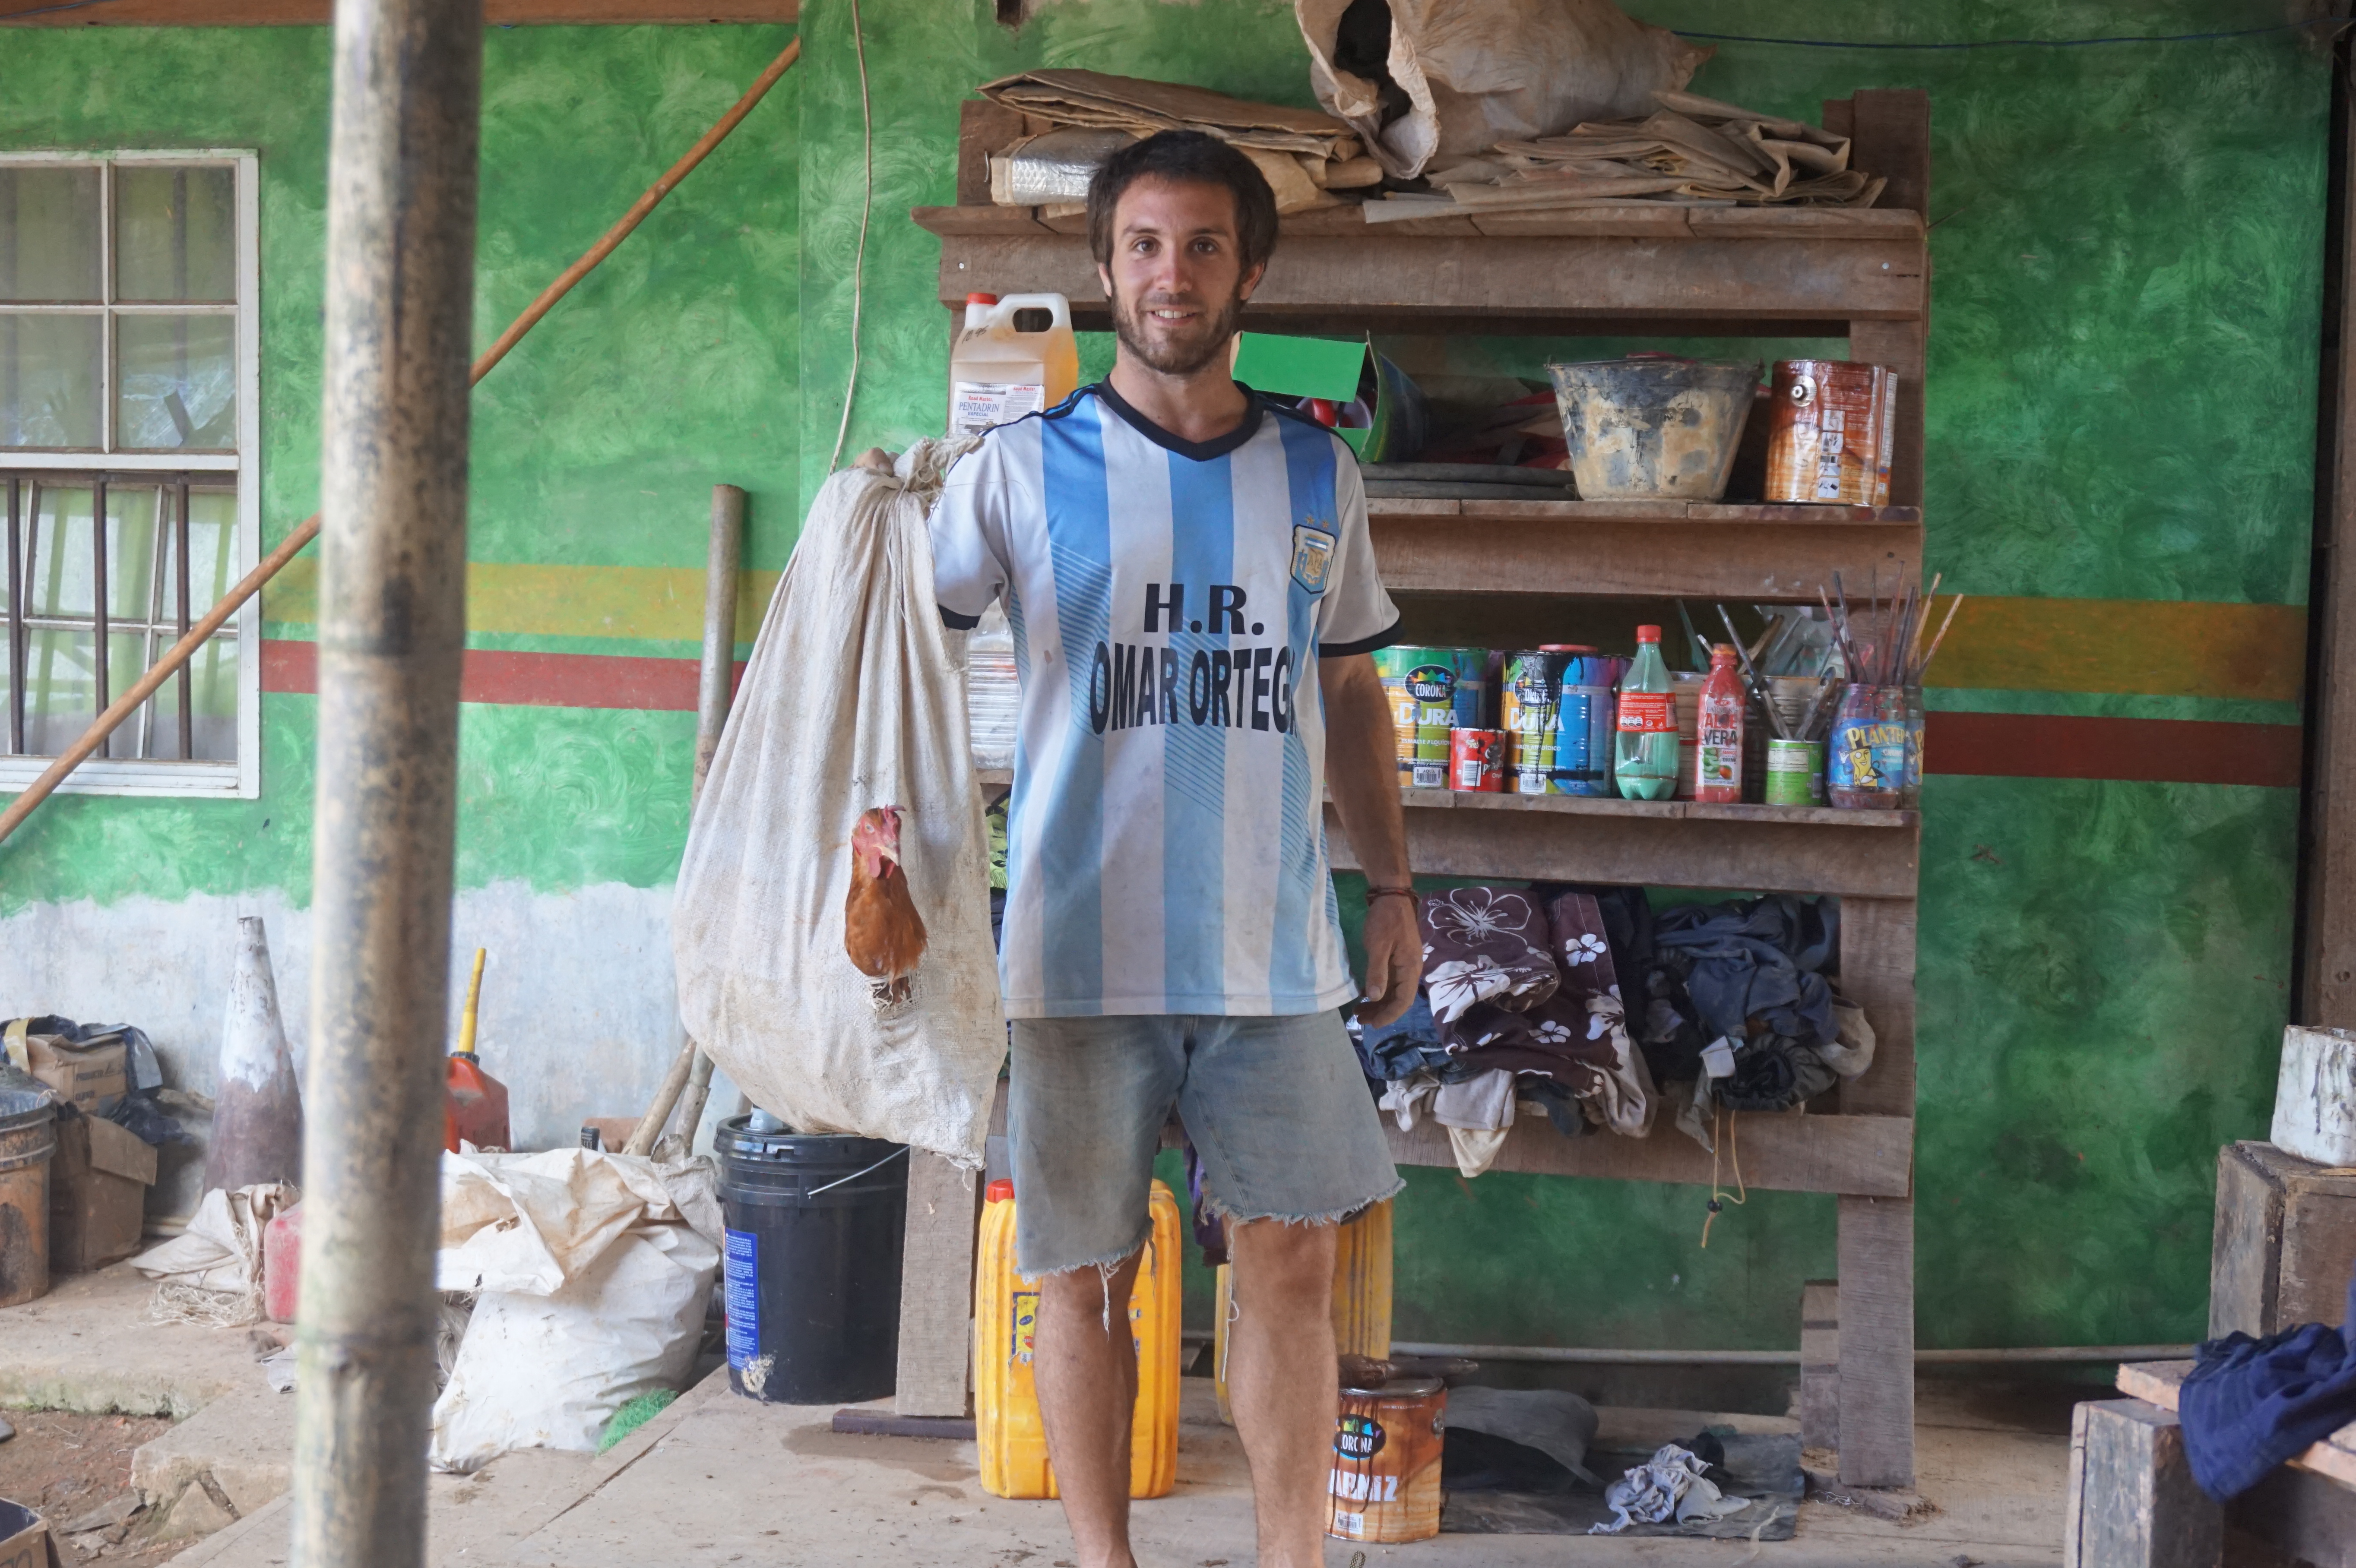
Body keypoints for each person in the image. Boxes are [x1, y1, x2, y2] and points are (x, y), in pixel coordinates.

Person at [926, 129, 1419, 1568]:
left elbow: (1350, 692)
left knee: (1294, 1263)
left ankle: (1291, 1558)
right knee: (1082, 1275)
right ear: (1103, 268)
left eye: (1204, 245)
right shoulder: (1018, 471)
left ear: (1250, 271)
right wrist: (893, 854)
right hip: (1076, 946)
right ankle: (1105, 1560)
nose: (1172, 273)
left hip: (1271, 951)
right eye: (1144, 244)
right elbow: (903, 658)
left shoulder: (1319, 474)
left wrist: (1394, 886)